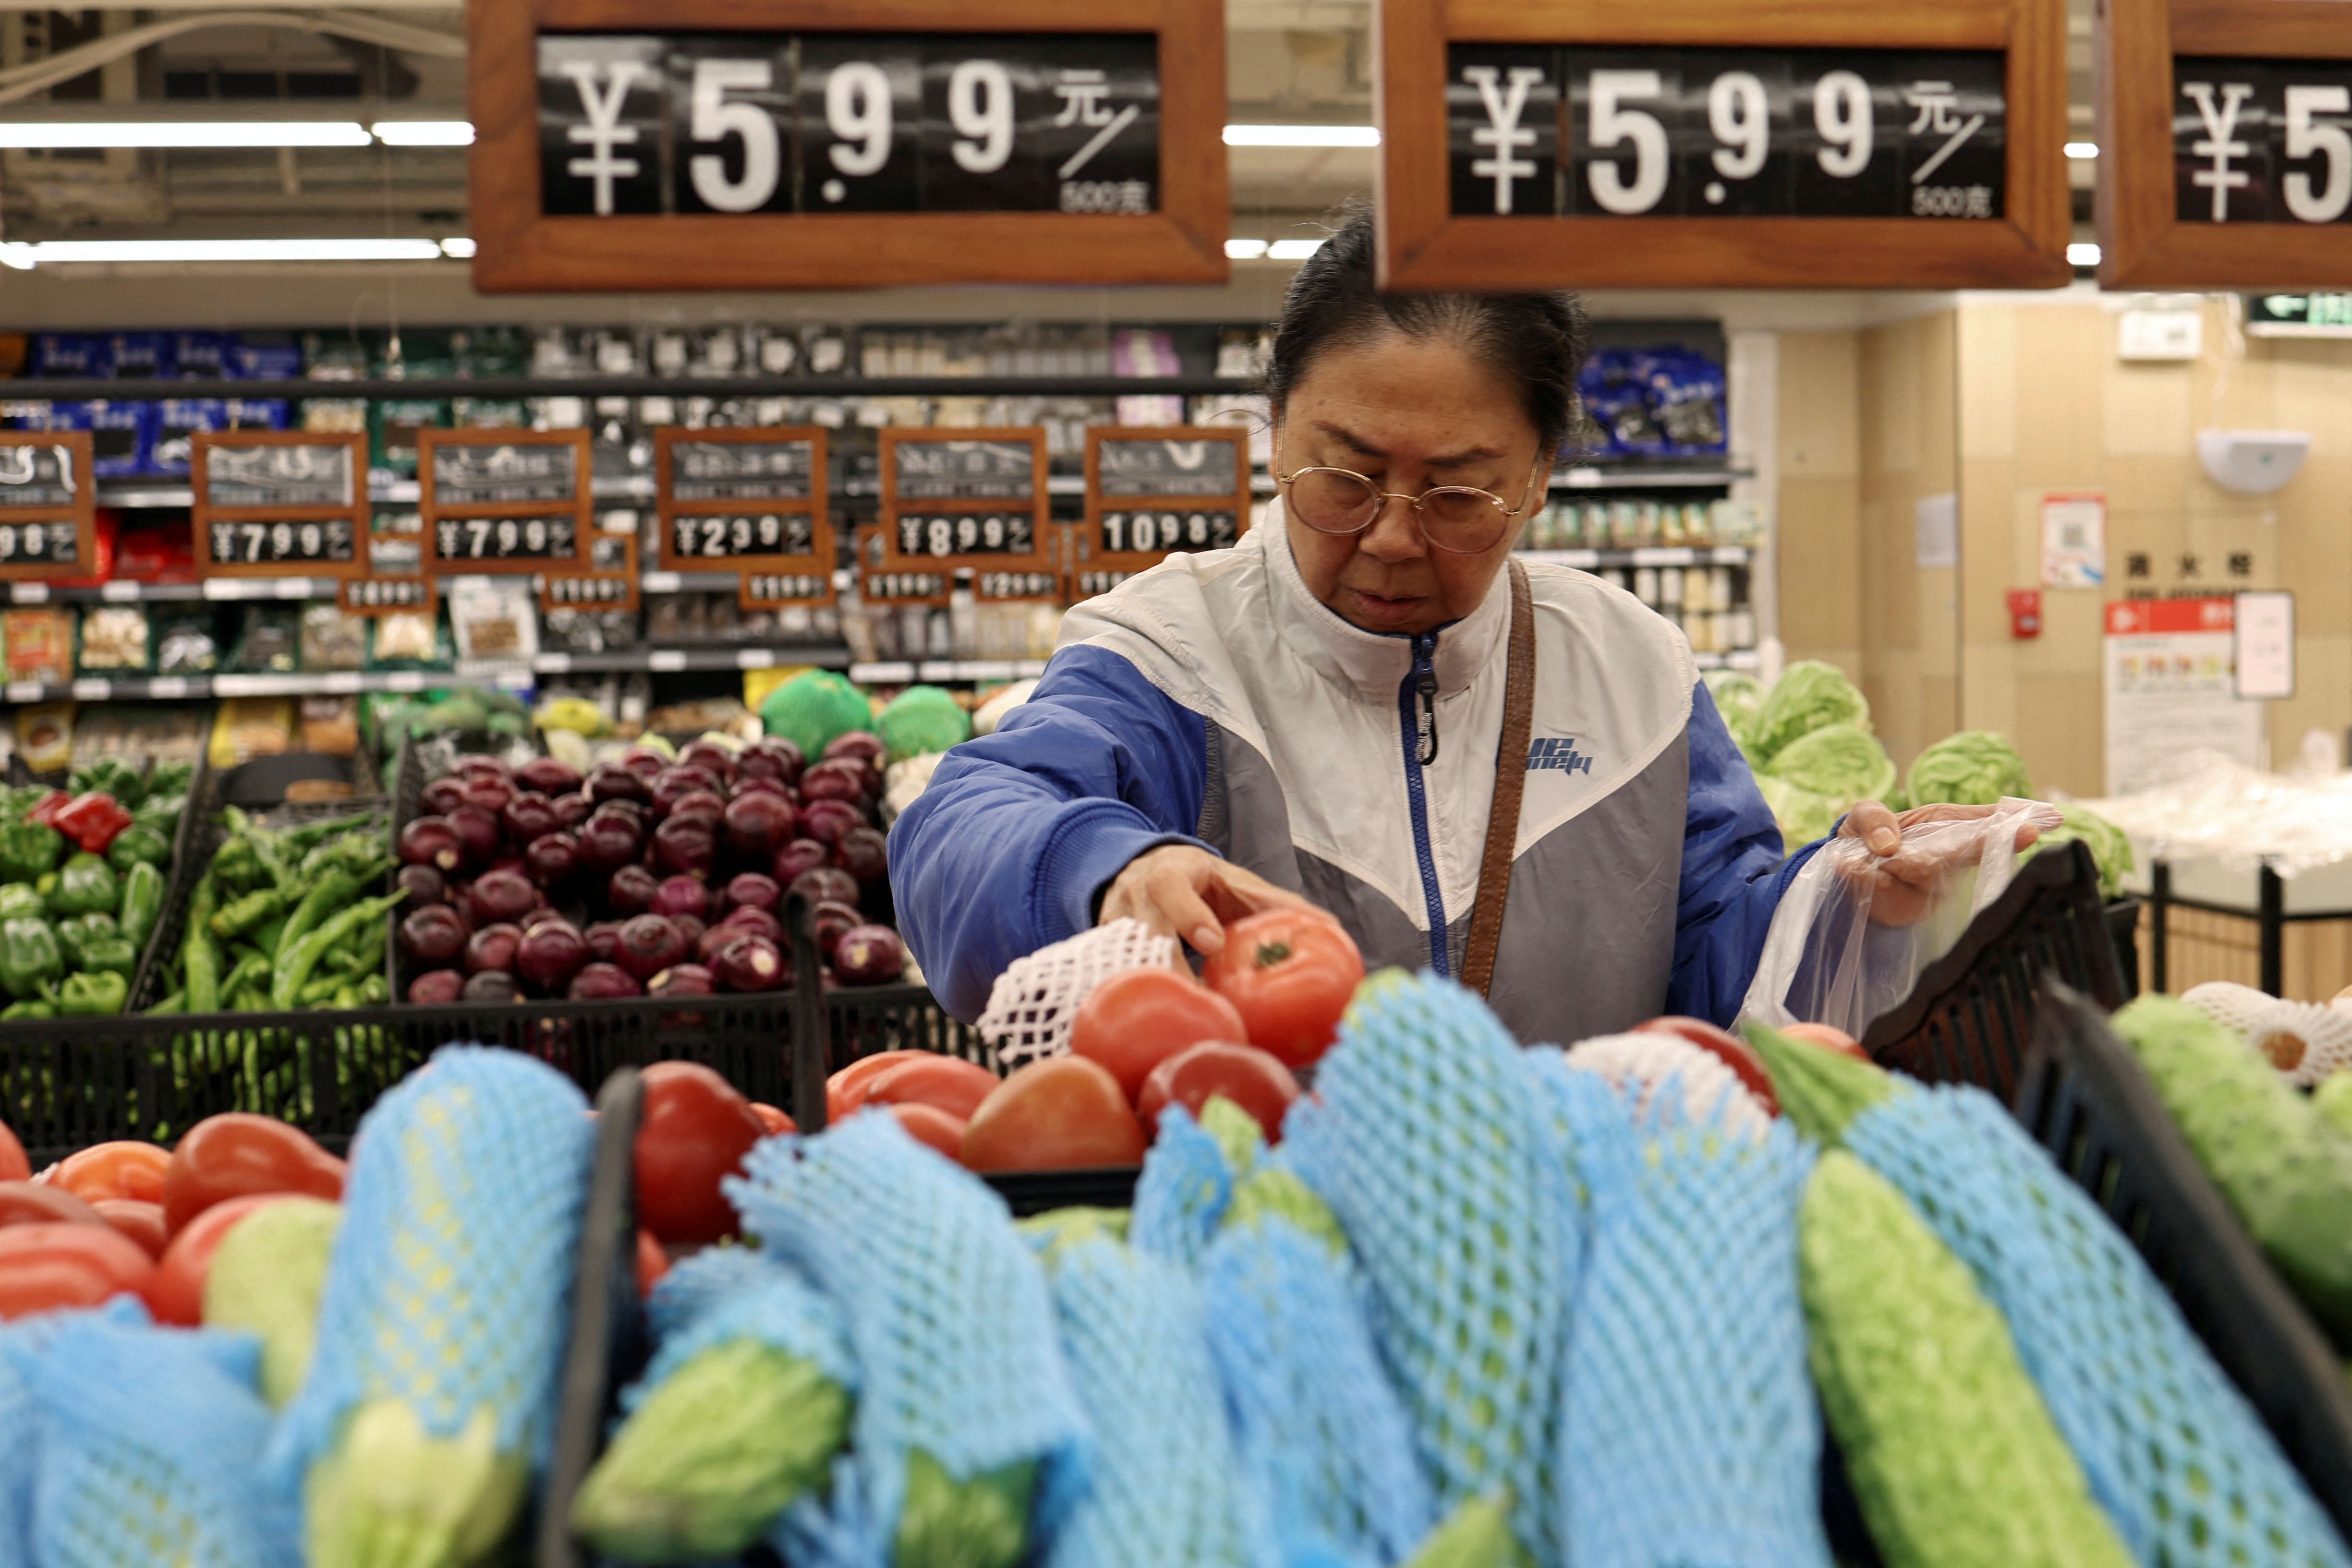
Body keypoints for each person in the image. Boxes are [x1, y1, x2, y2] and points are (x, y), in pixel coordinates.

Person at [888, 209, 2033, 1043]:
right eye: (1341, 476)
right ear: (1274, 429)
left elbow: (1709, 944)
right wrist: (1110, 861)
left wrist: (1846, 894)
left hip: (1577, 1245)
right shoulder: (1174, 648)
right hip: (1267, 1247)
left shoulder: (1628, 667)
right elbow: (963, 825)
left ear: (1539, 476)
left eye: (1457, 492)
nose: (1390, 536)